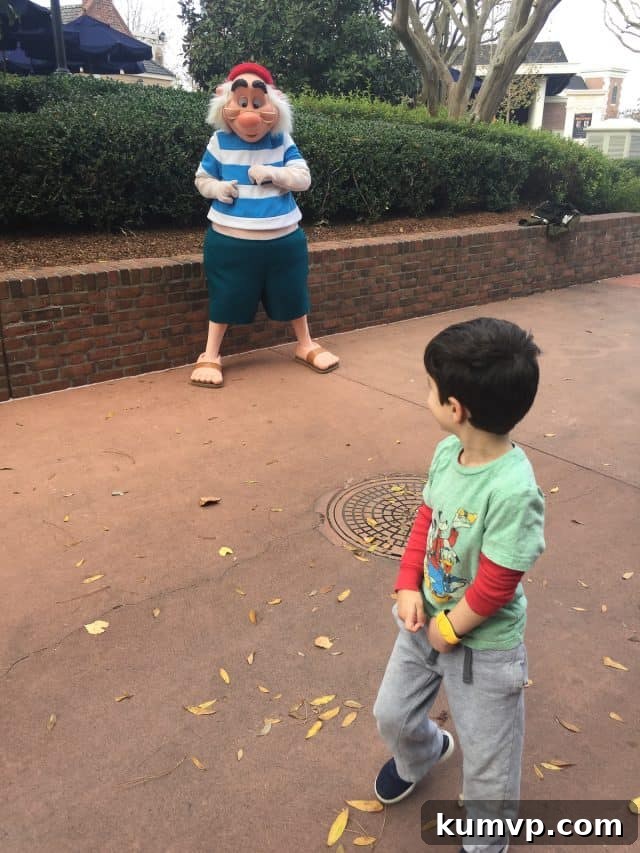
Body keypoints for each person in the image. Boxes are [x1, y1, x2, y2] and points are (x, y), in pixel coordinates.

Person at [373, 317, 546, 853]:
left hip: (483, 646)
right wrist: (407, 583)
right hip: (425, 617)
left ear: (456, 409)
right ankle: (424, 753)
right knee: (393, 714)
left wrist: (452, 625)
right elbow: (427, 519)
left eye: (430, 387)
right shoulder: (448, 454)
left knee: (490, 762)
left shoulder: (514, 490)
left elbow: (499, 580)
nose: (424, 394)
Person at [190, 62, 339, 388]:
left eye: (257, 103)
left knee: (293, 292)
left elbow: (303, 178)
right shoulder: (219, 141)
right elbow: (202, 179)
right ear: (226, 102)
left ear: (274, 103)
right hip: (230, 239)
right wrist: (219, 189)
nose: (249, 115)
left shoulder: (282, 141)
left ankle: (305, 344)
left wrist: (274, 173)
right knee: (225, 296)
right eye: (241, 103)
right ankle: (211, 354)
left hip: (283, 238)